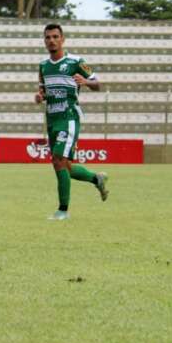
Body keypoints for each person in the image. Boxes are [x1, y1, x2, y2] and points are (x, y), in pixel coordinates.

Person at [34, 24, 108, 220]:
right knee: (65, 165)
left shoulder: (76, 62)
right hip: (52, 119)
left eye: (55, 36)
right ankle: (96, 178)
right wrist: (40, 96)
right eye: (48, 37)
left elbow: (98, 84)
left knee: (58, 160)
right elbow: (44, 91)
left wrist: (86, 82)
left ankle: (63, 210)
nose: (51, 40)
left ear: (62, 39)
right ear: (44, 41)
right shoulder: (43, 65)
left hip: (69, 118)